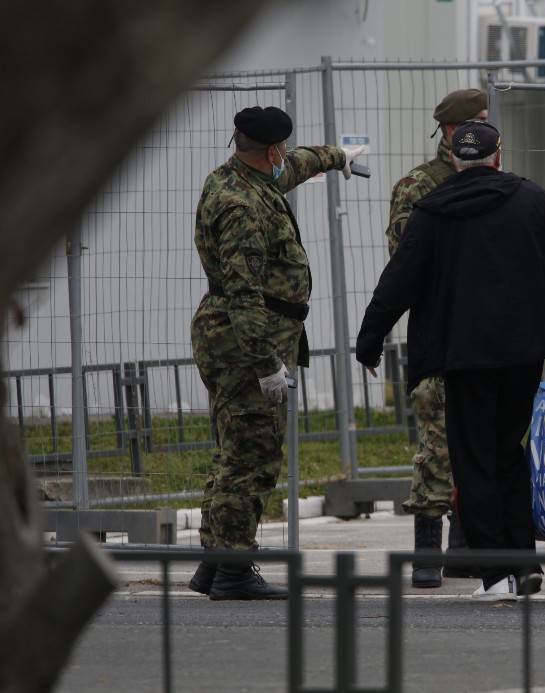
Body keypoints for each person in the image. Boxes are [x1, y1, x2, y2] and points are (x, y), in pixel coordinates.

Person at [355, 120, 545, 601]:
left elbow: (401, 279)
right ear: (499, 156)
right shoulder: (533, 201)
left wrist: (369, 340)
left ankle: (496, 573)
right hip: (523, 354)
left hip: (463, 357)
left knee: (473, 461)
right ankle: (525, 562)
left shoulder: (434, 211)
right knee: (509, 454)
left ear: (455, 160)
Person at [188, 106, 367, 600]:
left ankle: (214, 561)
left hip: (242, 332)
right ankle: (233, 570)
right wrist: (266, 365)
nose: (286, 158)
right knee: (252, 456)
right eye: (282, 151)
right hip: (246, 338)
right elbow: (244, 293)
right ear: (272, 150)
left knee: (233, 452)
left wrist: (338, 157)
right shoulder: (241, 207)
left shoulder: (238, 177)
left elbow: (297, 167)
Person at [386, 88, 489, 588]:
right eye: (480, 121)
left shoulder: (496, 181)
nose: (491, 130)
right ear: (452, 130)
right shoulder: (418, 186)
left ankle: (465, 545)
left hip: (487, 334)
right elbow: (406, 262)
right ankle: (427, 549)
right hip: (439, 331)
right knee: (438, 442)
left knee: (483, 439)